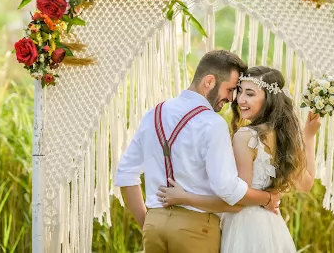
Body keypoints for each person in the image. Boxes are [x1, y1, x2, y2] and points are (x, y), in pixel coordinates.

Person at [114, 51, 281, 253]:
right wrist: (267, 198)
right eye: (229, 90)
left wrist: (147, 223)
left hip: (154, 226)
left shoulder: (154, 114)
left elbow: (124, 175)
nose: (231, 99)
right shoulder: (212, 123)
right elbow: (227, 189)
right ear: (209, 81)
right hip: (196, 230)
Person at [157, 66, 321, 253]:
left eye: (250, 94)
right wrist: (309, 136)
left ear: (269, 99)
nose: (241, 99)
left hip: (245, 229)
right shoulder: (284, 137)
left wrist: (184, 198)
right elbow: (306, 183)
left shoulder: (246, 136)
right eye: (240, 91)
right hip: (272, 228)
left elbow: (237, 199)